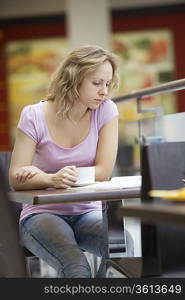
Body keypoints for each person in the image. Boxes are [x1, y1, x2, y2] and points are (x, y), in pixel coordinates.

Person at [9, 45, 120, 278]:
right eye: (97, 83)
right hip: (41, 215)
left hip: (88, 211)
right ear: (73, 78)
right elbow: (15, 177)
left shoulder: (106, 111)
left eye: (107, 84)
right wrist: (51, 178)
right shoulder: (34, 115)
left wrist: (43, 177)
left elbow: (103, 171)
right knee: (76, 267)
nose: (104, 91)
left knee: (122, 248)